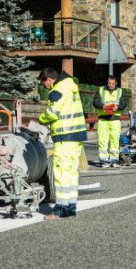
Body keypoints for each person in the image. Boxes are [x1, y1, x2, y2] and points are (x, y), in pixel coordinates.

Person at [38, 67, 87, 219]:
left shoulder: (57, 90)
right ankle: (70, 206)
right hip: (77, 135)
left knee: (61, 173)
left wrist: (41, 119)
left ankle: (60, 209)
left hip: (64, 136)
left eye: (44, 83)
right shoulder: (71, 87)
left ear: (49, 79)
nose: (45, 87)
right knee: (71, 172)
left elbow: (52, 113)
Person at [92, 75, 127, 168]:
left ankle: (114, 160)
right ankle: (104, 161)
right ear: (107, 82)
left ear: (115, 83)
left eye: (112, 83)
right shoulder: (100, 90)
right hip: (103, 119)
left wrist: (118, 107)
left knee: (114, 140)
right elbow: (95, 101)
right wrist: (102, 105)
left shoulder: (119, 91)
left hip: (115, 119)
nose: (111, 85)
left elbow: (124, 103)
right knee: (103, 141)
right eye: (109, 83)